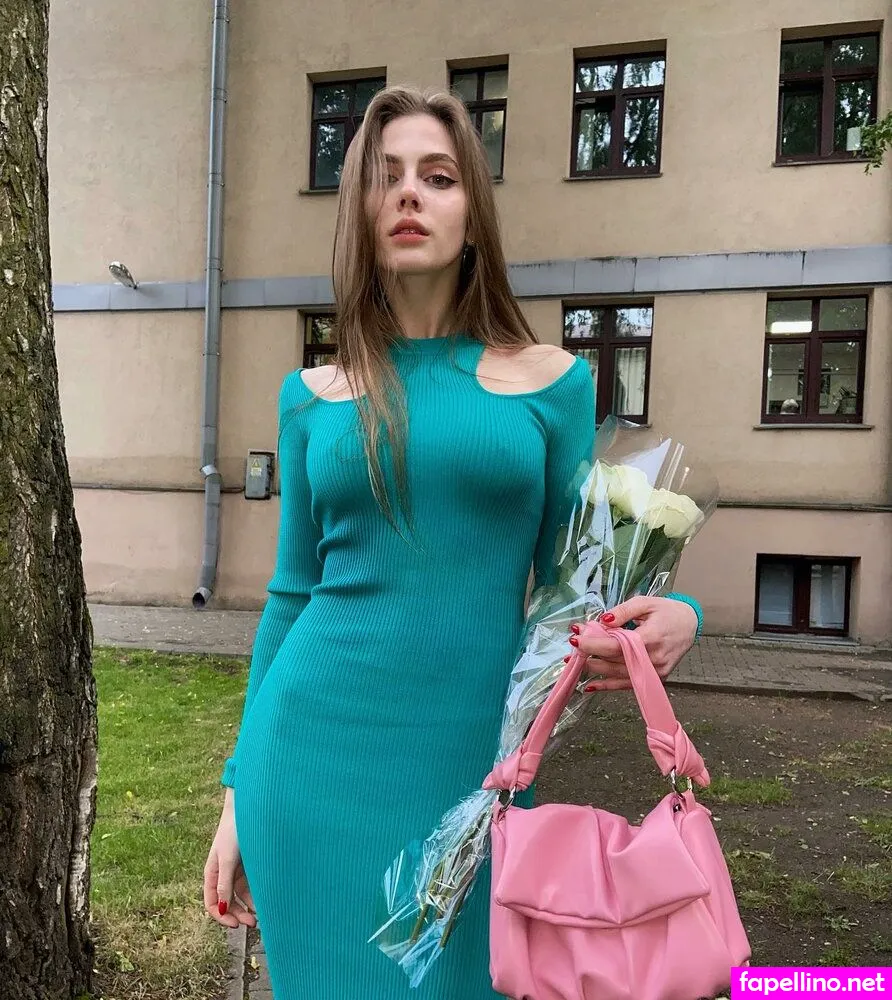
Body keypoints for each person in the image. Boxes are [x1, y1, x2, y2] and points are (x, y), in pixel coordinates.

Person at [203, 85, 703, 1000]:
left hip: (477, 769)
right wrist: (239, 794)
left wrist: (680, 614)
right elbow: (290, 595)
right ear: (361, 212)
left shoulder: (553, 385)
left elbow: (577, 584)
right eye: (386, 177)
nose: (409, 193)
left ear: (473, 212)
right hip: (304, 765)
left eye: (437, 176)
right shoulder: (312, 396)